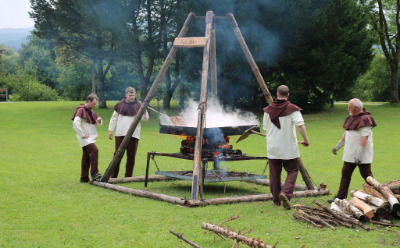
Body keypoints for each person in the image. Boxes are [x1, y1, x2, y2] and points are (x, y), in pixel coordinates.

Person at [263, 85, 310, 209]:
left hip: (273, 147)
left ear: (277, 94)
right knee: (293, 171)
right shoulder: (292, 109)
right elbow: (301, 125)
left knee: (274, 174)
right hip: (288, 147)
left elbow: (266, 128)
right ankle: (285, 193)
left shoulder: (267, 110)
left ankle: (276, 200)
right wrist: (305, 140)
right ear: (288, 94)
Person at [329, 98, 376, 202]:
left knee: (367, 177)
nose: (348, 108)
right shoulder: (351, 117)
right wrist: (337, 147)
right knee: (345, 174)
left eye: (349, 106)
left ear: (356, 107)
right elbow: (346, 134)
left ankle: (378, 196)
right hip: (349, 154)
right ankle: (340, 198)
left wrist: (359, 154)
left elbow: (365, 137)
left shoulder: (365, 118)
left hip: (362, 155)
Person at [108, 87, 149, 178]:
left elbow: (145, 119)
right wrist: (110, 130)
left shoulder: (139, 105)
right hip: (120, 133)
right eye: (130, 95)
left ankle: (128, 177)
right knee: (117, 156)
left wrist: (144, 109)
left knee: (131, 157)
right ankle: (113, 176)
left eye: (133, 95)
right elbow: (114, 118)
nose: (132, 97)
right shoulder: (119, 105)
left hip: (134, 135)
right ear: (126, 95)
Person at [72, 93, 103, 183]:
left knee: (86, 156)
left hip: (90, 137)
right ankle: (95, 174)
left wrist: (99, 121)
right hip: (84, 137)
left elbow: (97, 124)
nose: (94, 105)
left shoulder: (91, 112)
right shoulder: (81, 110)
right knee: (94, 150)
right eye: (93, 103)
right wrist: (82, 133)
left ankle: (84, 178)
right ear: (88, 101)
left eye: (95, 104)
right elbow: (75, 123)